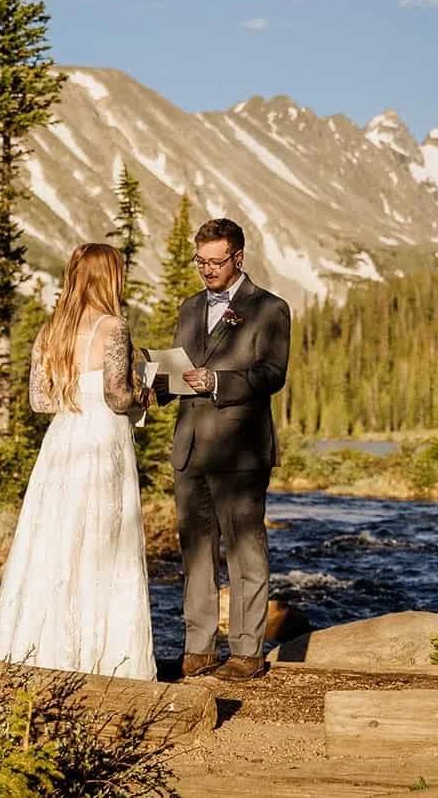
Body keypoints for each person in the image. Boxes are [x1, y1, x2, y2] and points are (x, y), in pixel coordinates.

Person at [0, 243, 156, 681]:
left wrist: (74, 393)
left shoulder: (50, 330)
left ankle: (39, 652)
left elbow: (39, 401)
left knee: (54, 542)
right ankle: (104, 660)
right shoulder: (114, 327)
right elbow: (117, 397)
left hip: (62, 440)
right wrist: (142, 392)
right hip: (102, 439)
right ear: (108, 278)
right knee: (104, 544)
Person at [154, 218, 291, 682]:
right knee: (195, 553)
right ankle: (198, 649)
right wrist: (157, 384)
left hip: (241, 451)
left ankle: (247, 652)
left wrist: (217, 381)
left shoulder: (270, 308)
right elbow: (182, 371)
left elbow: (272, 374)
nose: (208, 270)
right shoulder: (190, 307)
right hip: (190, 448)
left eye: (216, 261)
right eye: (201, 261)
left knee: (245, 552)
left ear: (239, 257)